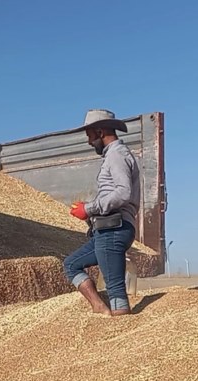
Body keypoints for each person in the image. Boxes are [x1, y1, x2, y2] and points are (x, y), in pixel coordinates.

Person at [63, 110, 140, 315]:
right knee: (71, 265)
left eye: (89, 135)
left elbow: (123, 193)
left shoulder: (117, 155)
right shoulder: (113, 155)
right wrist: (90, 209)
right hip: (106, 229)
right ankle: (99, 308)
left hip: (114, 229)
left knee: (116, 292)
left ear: (100, 131)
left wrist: (89, 208)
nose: (89, 141)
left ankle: (119, 327)